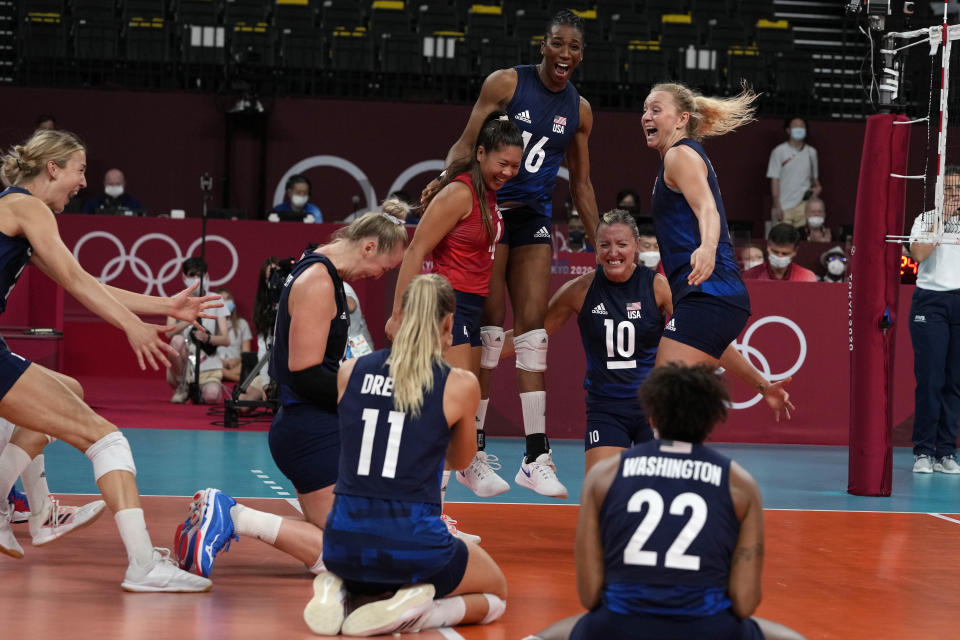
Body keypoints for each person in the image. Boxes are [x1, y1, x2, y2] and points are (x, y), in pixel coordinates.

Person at [0, 127, 216, 591]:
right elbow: (77, 280)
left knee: (67, 393)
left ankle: (33, 513)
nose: (83, 183)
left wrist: (164, 305)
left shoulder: (11, 207)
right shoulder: (27, 207)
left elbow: (84, 281)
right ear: (52, 168)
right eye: (79, 170)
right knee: (107, 440)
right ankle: (142, 565)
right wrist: (131, 326)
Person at [422, 9, 600, 498]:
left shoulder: (580, 111)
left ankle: (536, 455)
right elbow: (466, 143)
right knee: (492, 330)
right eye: (558, 44)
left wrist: (601, 238)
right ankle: (472, 451)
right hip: (493, 208)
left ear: (582, 55)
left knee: (534, 331)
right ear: (542, 46)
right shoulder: (505, 84)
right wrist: (443, 184)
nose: (565, 54)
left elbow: (581, 184)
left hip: (535, 216)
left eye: (575, 48)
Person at [174, 210, 408, 579]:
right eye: (385, 266)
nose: (380, 275)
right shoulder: (319, 281)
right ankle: (232, 516)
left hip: (316, 426)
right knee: (352, 558)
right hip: (311, 430)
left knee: (345, 548)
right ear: (368, 247)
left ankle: (231, 517)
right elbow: (306, 375)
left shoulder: (320, 270)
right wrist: (370, 390)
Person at [525, 364, 807, 640]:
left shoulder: (604, 475)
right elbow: (745, 603)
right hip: (708, 629)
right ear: (711, 421)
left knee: (552, 633)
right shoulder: (740, 483)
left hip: (620, 627)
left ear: (651, 418)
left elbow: (588, 595)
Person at [501, 211, 792, 476]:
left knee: (662, 492)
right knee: (602, 495)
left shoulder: (657, 286)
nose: (613, 253)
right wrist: (477, 353)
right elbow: (531, 336)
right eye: (605, 245)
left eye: (622, 245)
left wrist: (763, 385)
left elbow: (707, 343)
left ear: (636, 246)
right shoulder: (579, 291)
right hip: (605, 409)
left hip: (653, 408)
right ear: (596, 247)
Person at [303, 274, 507, 637]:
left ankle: (337, 587)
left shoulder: (349, 372)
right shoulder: (459, 384)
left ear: (398, 317)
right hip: (411, 539)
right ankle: (415, 612)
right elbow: (459, 461)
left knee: (367, 563)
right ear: (448, 323)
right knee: (497, 593)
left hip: (340, 543)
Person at [387, 112, 522, 518]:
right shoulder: (460, 194)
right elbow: (415, 251)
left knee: (457, 401)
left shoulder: (489, 194)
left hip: (472, 305)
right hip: (448, 304)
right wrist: (400, 314)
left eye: (515, 165)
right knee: (454, 402)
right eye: (502, 163)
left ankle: (436, 511)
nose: (509, 172)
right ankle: (448, 492)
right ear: (480, 154)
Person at [642, 83, 754, 368]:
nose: (646, 116)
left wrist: (707, 247)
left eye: (656, 110)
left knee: (664, 394)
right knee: (679, 399)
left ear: (682, 119)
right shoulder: (682, 156)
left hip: (709, 292)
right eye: (644, 110)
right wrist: (764, 387)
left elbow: (708, 208)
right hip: (708, 296)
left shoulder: (678, 155)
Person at [908, 165, 960, 474]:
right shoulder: (925, 219)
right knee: (930, 381)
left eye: (959, 190)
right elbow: (918, 255)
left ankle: (946, 453)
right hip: (931, 301)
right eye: (949, 190)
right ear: (940, 192)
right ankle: (923, 452)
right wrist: (940, 219)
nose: (954, 195)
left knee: (955, 382)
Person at [164, 257, 230, 404]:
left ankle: (198, 389)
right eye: (191, 275)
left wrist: (208, 338)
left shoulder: (216, 300)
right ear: (184, 277)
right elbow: (168, 333)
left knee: (212, 397)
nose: (195, 279)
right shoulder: (175, 300)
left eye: (199, 275)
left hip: (208, 367)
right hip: (182, 367)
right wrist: (189, 319)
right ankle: (184, 385)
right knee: (176, 340)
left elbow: (225, 340)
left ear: (206, 276)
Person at [767, 116, 820, 229]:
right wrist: (777, 205)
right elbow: (774, 179)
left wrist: (818, 189)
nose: (799, 128)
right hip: (784, 206)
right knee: (783, 240)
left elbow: (814, 180)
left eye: (802, 126)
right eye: (795, 126)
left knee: (803, 241)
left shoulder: (812, 153)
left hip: (803, 206)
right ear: (788, 130)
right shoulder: (779, 151)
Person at [742, 223, 817, 282]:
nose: (779, 256)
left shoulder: (806, 277)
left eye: (785, 253)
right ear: (768, 247)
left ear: (795, 251)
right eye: (775, 252)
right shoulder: (750, 276)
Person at [215, 287, 252, 382]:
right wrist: (219, 362)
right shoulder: (210, 324)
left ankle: (225, 375)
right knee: (208, 366)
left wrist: (236, 360)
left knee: (248, 365)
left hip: (236, 366)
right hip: (217, 364)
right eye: (222, 300)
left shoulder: (242, 324)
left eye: (228, 299)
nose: (225, 302)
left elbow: (246, 355)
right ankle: (241, 380)